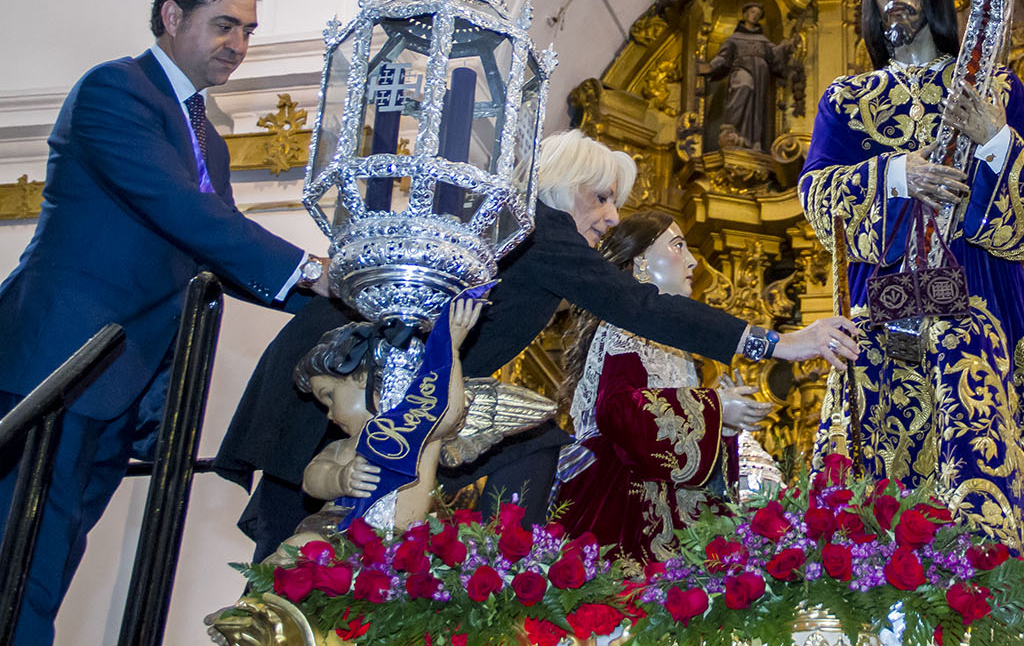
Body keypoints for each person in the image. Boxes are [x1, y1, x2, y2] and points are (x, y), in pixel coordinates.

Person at [219, 129, 859, 558]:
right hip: (342, 382)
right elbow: (640, 307)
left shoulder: (520, 231)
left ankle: (494, 571)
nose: (611, 217)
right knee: (300, 558)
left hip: (387, 389)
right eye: (602, 197)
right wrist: (778, 343)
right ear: (561, 184)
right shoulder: (541, 230)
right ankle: (505, 573)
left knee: (319, 554)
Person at [0, 0, 330, 646]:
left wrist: (337, 306)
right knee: (16, 561)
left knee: (49, 567)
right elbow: (186, 214)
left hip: (123, 386)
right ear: (172, 16)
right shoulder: (116, 90)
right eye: (223, 25)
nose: (237, 45)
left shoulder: (203, 129)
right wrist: (312, 269)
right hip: (55, 372)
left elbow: (219, 255)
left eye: (247, 30)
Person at [803, 0, 1024, 553]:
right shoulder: (846, 101)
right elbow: (818, 195)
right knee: (883, 454)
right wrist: (899, 175)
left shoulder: (997, 86)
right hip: (888, 298)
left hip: (984, 289)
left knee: (984, 431)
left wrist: (993, 141)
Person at [551, 212, 773, 572]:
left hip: (664, 493)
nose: (693, 261)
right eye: (678, 246)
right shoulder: (626, 330)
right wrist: (713, 407)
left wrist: (722, 427)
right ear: (640, 262)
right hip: (623, 498)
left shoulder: (669, 342)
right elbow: (617, 409)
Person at [293, 297, 484, 537]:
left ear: (361, 377)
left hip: (390, 550)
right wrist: (340, 478)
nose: (329, 414)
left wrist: (450, 349)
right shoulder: (343, 448)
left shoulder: (412, 429)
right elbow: (312, 479)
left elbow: (447, 414)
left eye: (329, 396)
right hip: (334, 538)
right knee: (297, 549)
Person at [699, 2, 792, 152]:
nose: (754, 16)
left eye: (757, 14)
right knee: (743, 86)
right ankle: (730, 129)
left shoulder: (763, 40)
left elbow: (775, 55)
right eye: (752, 12)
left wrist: (786, 46)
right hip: (741, 69)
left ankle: (752, 140)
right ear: (745, 14)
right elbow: (723, 57)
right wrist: (710, 67)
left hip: (761, 75)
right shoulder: (734, 39)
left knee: (756, 107)